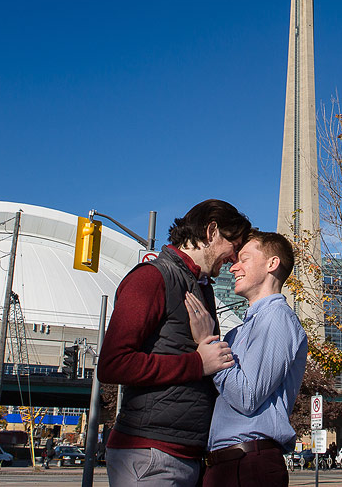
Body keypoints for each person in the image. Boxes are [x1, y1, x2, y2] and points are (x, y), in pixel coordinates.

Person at [97, 199, 251, 487]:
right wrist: (197, 363)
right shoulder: (152, 278)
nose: (234, 258)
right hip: (150, 456)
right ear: (212, 232)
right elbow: (112, 364)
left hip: (184, 455)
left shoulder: (199, 287)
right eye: (234, 244)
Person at [186, 230, 308, 487]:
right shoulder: (237, 332)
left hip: (249, 466)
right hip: (224, 465)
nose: (234, 268)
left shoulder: (277, 318)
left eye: (245, 259)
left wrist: (208, 343)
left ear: (272, 264)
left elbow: (247, 395)